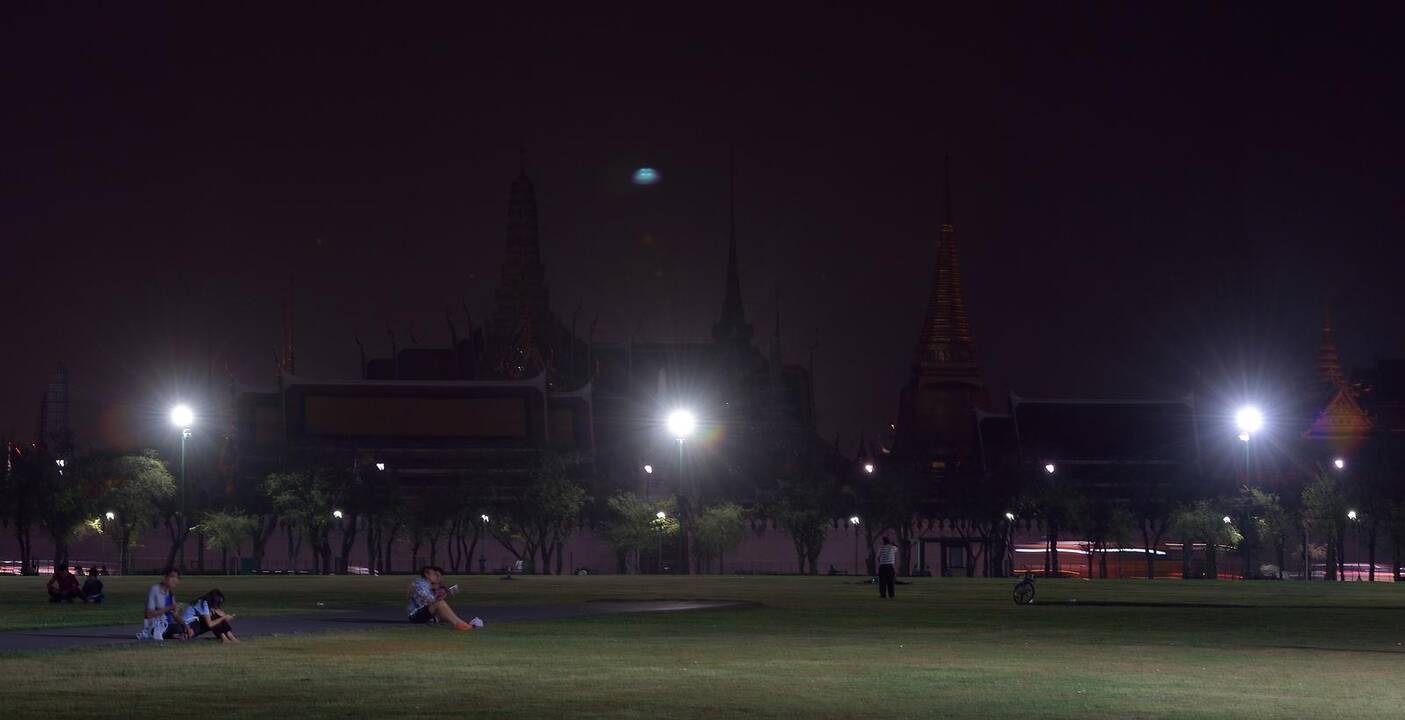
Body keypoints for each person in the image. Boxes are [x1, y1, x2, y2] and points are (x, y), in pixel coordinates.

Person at [407, 565, 482, 631]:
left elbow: (430, 601)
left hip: (423, 613)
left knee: (443, 609)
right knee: (440, 603)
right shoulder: (420, 584)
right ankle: (461, 625)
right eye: (434, 574)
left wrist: (442, 593)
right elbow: (430, 600)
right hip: (415, 615)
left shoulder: (427, 585)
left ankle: (463, 624)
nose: (436, 577)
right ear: (427, 575)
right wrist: (445, 594)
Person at [137, 568, 190, 640]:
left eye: (177, 578)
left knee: (182, 627)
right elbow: (149, 614)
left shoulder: (170, 594)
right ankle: (172, 635)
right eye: (172, 577)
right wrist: (169, 607)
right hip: (156, 625)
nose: (175, 580)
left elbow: (174, 614)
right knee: (174, 629)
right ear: (164, 578)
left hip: (167, 625)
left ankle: (175, 635)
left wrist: (185, 625)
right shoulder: (154, 590)